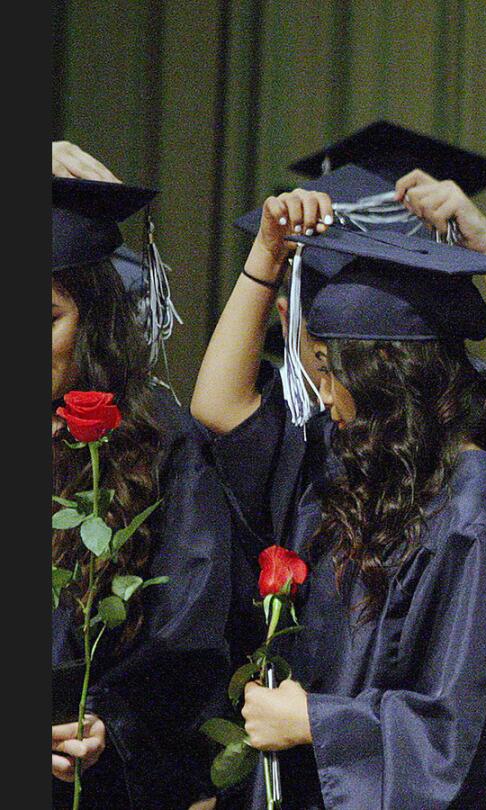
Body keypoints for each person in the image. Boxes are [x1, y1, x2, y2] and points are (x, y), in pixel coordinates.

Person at [189, 168, 486, 808]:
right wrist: (267, 255)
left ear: (388, 370)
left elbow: (466, 735)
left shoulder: (473, 514)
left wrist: (316, 722)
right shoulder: (360, 469)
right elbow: (218, 408)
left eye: (334, 371)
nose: (322, 393)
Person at [51, 166, 233, 808]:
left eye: (46, 314)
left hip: (97, 776)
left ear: (93, 323)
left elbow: (187, 634)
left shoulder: (159, 443)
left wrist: (107, 722)